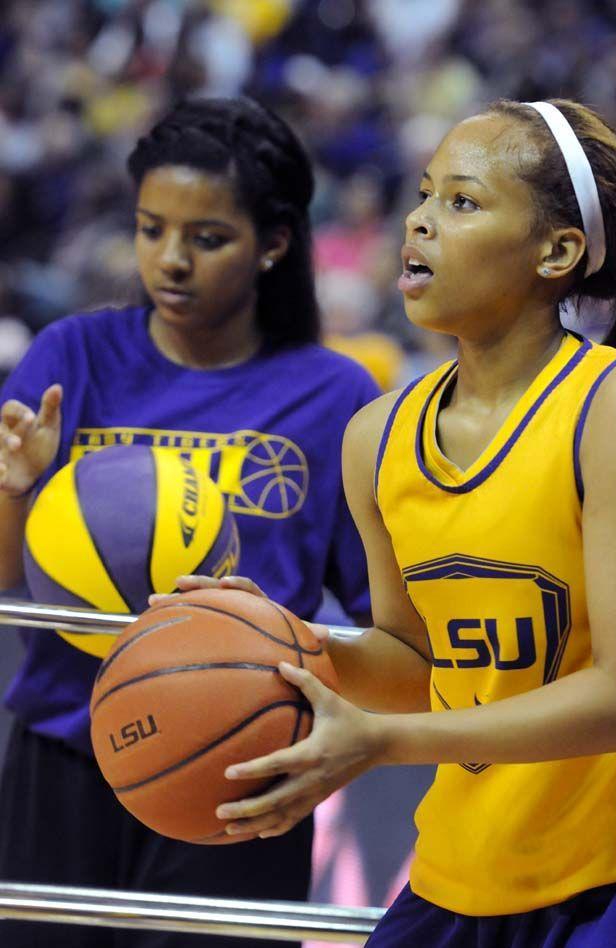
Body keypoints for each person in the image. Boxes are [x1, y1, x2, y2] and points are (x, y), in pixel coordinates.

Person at [177, 99, 616, 946]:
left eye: (463, 202)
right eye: (424, 194)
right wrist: (285, 640)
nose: (419, 220)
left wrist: (382, 744)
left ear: (557, 252)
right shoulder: (376, 438)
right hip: (457, 875)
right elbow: (415, 659)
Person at [0, 96, 379, 948]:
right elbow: (2, 577)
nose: (169, 260)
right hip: (66, 749)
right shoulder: (71, 355)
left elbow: (378, 623)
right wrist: (14, 490)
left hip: (240, 764)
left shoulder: (339, 397)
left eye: (207, 238)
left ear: (275, 244)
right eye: (149, 229)